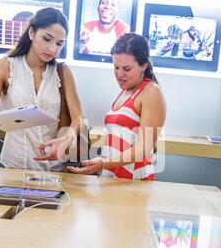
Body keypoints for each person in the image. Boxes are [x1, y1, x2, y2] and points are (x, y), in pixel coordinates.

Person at [0, 8, 84, 171]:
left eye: (59, 43)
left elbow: (78, 116)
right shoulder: (4, 66)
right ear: (31, 33)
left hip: (55, 169)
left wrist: (68, 137)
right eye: (47, 39)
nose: (52, 49)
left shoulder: (63, 72)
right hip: (14, 165)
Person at [68, 33, 167, 181]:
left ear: (143, 65)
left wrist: (104, 163)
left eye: (126, 69)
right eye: (116, 67)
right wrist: (104, 165)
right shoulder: (125, 92)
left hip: (134, 179)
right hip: (112, 175)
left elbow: (144, 148)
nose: (119, 74)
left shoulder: (152, 92)